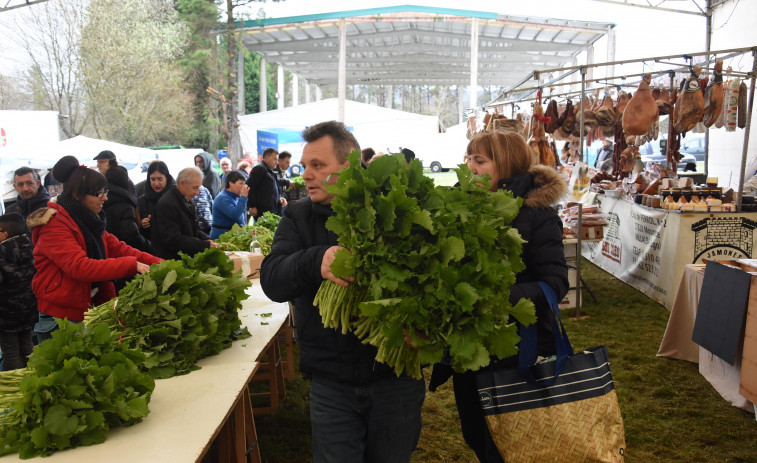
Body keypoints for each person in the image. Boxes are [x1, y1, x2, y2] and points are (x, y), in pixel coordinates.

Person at [260, 121, 425, 463]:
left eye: (317, 166)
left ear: (349, 167)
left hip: (395, 377)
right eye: (304, 166)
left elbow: (429, 282)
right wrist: (316, 261)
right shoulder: (297, 216)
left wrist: (424, 324)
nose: (306, 175)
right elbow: (272, 279)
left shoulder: (392, 212)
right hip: (330, 380)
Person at [445, 131, 569, 463]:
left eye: (479, 160)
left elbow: (556, 282)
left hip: (517, 348)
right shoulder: (461, 205)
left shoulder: (537, 214)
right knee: (475, 431)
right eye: (469, 158)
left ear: (507, 164)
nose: (470, 167)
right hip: (468, 346)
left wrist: (499, 296)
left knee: (509, 443)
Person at [26, 155, 161, 324]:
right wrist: (132, 265)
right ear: (77, 194)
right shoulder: (54, 224)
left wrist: (162, 264)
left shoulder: (87, 219)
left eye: (105, 192)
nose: (104, 198)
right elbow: (80, 266)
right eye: (98, 194)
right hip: (61, 315)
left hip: (88, 306)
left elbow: (118, 248)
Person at [151, 166, 220, 260]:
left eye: (198, 188)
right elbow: (174, 240)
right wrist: (203, 245)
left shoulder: (188, 200)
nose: (197, 192)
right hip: (171, 262)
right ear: (182, 183)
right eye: (195, 188)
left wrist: (206, 239)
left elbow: (192, 230)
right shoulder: (167, 204)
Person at [0, 213, 38, 369]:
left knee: (10, 353)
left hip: (6, 316)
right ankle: (34, 380)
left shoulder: (1, 254)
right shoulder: (30, 249)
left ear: (4, 234)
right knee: (28, 348)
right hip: (28, 311)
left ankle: (14, 388)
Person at [104, 166, 151, 253]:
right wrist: (150, 247)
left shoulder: (102, 199)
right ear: (125, 181)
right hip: (124, 253)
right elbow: (132, 235)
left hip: (107, 252)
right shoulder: (125, 204)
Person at [136, 161, 175, 241]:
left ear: (166, 178)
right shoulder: (142, 201)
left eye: (160, 179)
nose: (156, 183)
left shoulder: (176, 196)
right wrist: (143, 224)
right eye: (153, 179)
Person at [246, 148, 286, 219]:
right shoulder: (259, 169)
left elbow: (271, 188)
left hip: (273, 210)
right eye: (275, 159)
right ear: (266, 158)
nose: (277, 162)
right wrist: (252, 206)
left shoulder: (270, 170)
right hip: (263, 212)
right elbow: (249, 186)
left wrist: (279, 198)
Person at [209, 171, 250, 240]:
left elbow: (240, 218)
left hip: (231, 236)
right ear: (231, 183)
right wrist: (243, 197)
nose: (243, 187)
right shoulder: (222, 198)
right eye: (241, 183)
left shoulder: (235, 197)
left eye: (244, 184)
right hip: (221, 238)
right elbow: (235, 215)